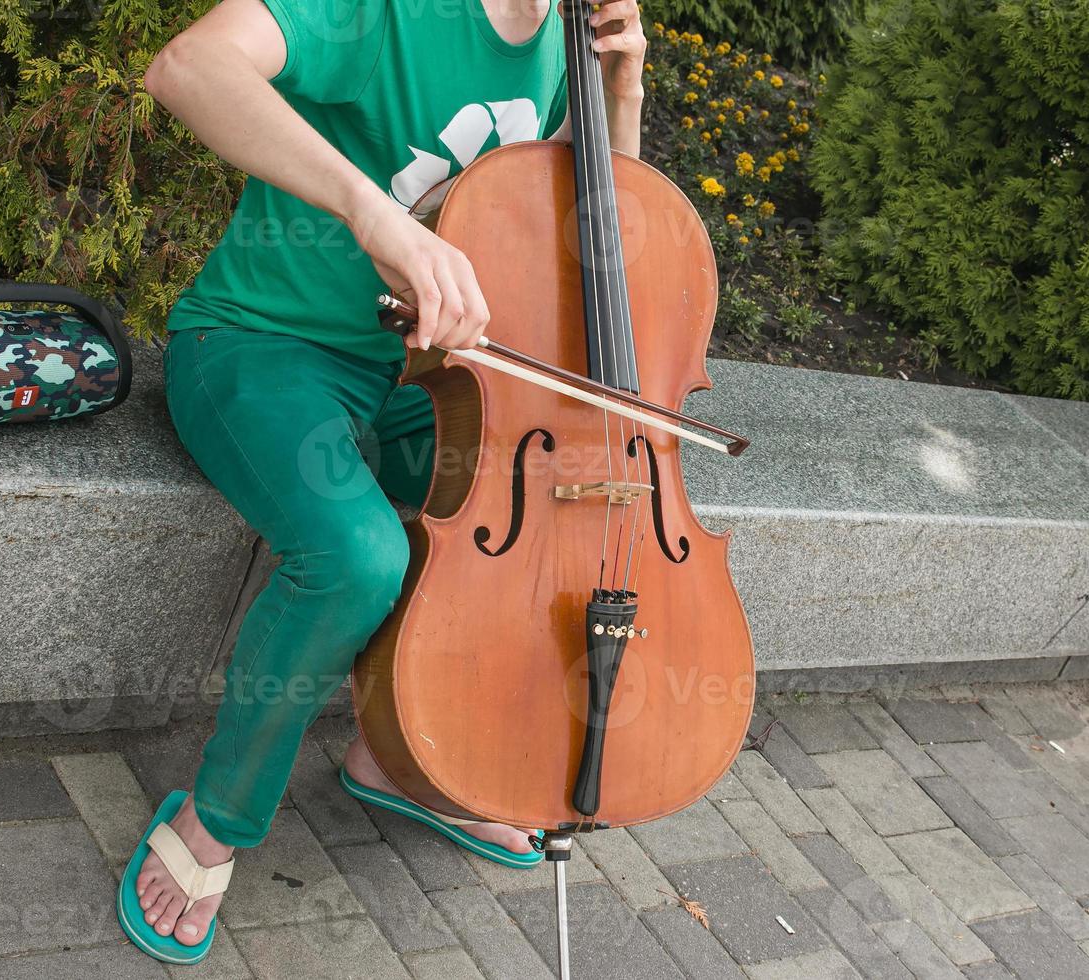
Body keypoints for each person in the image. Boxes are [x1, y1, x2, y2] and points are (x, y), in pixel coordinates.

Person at [119, 0, 647, 964]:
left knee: (539, 511)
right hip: (263, 345)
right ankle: (218, 817)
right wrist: (372, 212)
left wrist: (623, 88)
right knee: (359, 555)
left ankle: (401, 760)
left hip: (432, 367)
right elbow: (187, 67)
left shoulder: (573, 32)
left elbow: (595, 220)